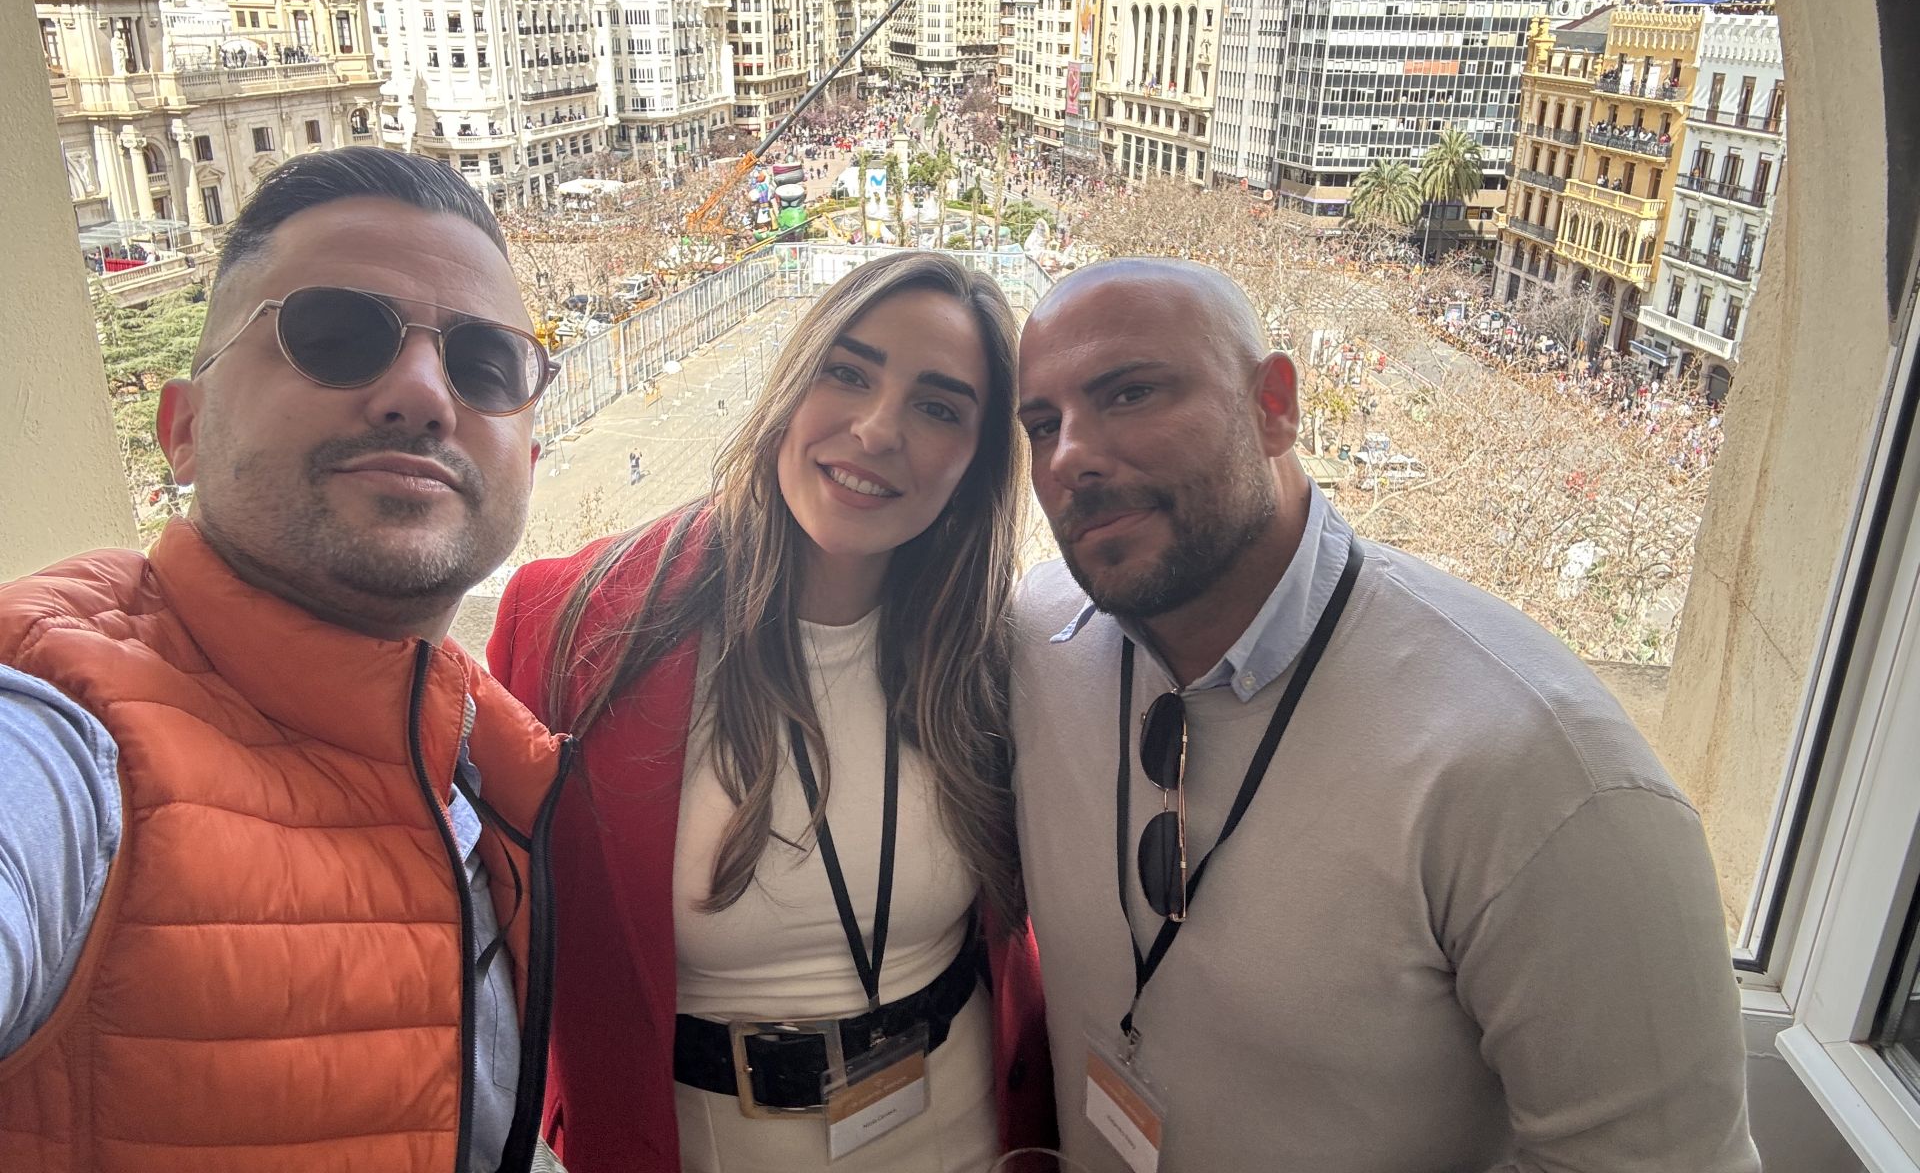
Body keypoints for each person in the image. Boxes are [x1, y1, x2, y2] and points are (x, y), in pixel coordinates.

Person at [1008, 258, 1758, 1172]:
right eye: (1041, 425)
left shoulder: (1549, 778)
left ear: (1274, 405)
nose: (1069, 456)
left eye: (1129, 393)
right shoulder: (1036, 638)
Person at [0, 147, 570, 1171]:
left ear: (526, 461)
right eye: (337, 337)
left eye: (484, 363)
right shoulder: (63, 736)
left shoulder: (485, 761)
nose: (423, 394)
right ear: (184, 428)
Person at [488, 252, 1052, 1172]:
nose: (877, 430)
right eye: (849, 372)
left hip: (964, 1136)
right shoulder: (571, 627)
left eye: (939, 407)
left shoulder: (995, 651)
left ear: (976, 461)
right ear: (792, 383)